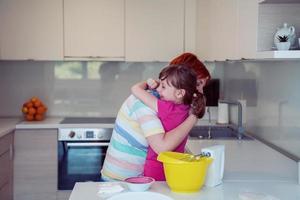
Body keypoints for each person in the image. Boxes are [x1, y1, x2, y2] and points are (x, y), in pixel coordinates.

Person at [101, 52, 210, 181]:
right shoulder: (146, 102)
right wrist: (194, 116)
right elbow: (162, 147)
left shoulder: (170, 102)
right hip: (121, 182)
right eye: (198, 84)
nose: (201, 92)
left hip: (138, 181)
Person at [131, 64, 206, 180]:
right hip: (175, 166)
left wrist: (147, 83)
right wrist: (161, 84)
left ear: (180, 93)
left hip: (156, 167)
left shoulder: (167, 108)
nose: (158, 89)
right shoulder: (188, 108)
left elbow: (135, 89)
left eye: (164, 87)